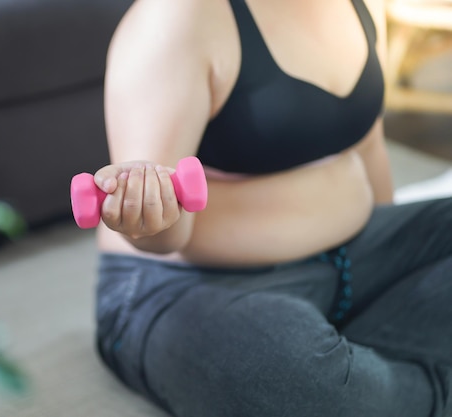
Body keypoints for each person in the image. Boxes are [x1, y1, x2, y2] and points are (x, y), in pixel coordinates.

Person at [92, 0, 452, 416]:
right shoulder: (178, 16)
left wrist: (394, 264)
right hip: (191, 282)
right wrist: (145, 216)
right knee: (285, 377)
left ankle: (366, 378)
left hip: (354, 255)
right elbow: (163, 238)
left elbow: (366, 142)